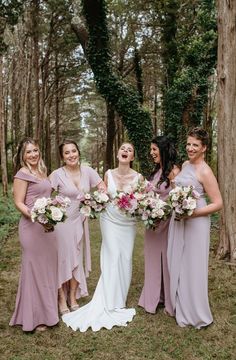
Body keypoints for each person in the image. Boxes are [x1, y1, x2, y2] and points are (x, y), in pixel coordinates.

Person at [62, 142, 142, 332]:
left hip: (127, 222)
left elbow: (141, 199)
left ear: (132, 157)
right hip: (109, 220)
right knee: (112, 255)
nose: (125, 151)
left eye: (130, 150)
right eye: (123, 148)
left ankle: (119, 298)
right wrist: (96, 202)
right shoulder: (108, 174)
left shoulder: (138, 177)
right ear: (117, 153)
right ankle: (109, 298)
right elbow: (102, 195)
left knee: (126, 257)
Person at [167, 127, 223, 329]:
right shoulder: (184, 164)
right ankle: (180, 303)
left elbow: (218, 203)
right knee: (179, 261)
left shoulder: (205, 171)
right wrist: (177, 198)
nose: (190, 148)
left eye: (195, 145)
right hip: (179, 218)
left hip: (196, 221)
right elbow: (180, 187)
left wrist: (193, 213)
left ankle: (196, 311)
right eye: (189, 144)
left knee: (193, 265)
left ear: (204, 148)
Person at [49, 140, 105, 315]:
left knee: (77, 260)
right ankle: (60, 297)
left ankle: (72, 296)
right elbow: (45, 195)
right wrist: (51, 209)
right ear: (62, 157)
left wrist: (96, 201)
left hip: (80, 222)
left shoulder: (88, 171)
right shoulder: (57, 174)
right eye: (67, 153)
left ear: (78, 153)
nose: (71, 155)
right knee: (63, 259)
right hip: (62, 223)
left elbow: (103, 187)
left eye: (74, 151)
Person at [9, 138, 59, 332]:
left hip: (48, 227)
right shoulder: (22, 174)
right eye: (28, 152)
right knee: (34, 270)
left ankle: (48, 313)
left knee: (47, 269)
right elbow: (19, 202)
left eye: (35, 150)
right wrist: (36, 216)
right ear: (23, 155)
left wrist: (52, 213)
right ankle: (34, 318)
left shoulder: (42, 172)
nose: (33, 155)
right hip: (31, 227)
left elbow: (46, 197)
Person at [138, 136, 180, 316]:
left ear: (163, 149)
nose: (151, 153)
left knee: (167, 260)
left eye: (154, 149)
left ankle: (170, 299)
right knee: (153, 259)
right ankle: (154, 297)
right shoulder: (156, 171)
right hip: (152, 224)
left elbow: (179, 198)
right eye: (151, 149)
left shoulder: (174, 171)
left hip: (167, 223)